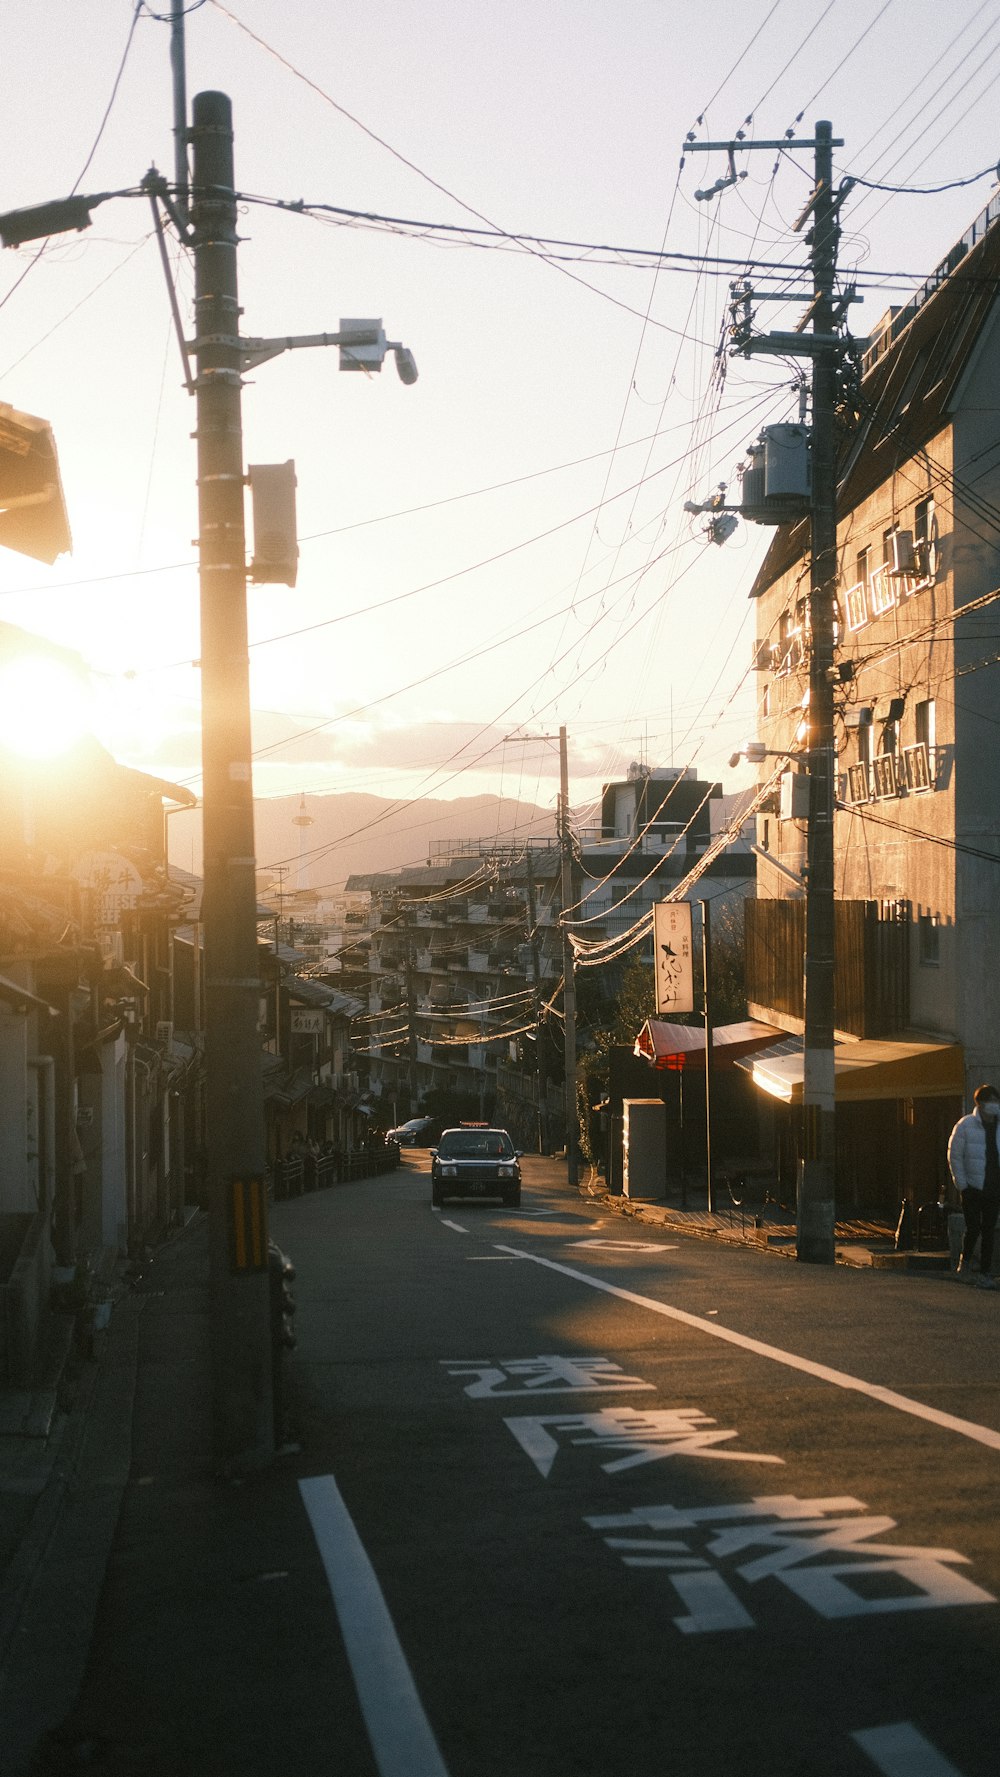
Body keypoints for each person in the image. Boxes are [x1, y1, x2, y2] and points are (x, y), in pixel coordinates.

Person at [947, 1084, 1000, 1289]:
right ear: (980, 1103)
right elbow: (955, 1156)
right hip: (972, 1187)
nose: (995, 1105)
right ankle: (965, 1263)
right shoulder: (965, 1125)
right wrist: (962, 1184)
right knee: (973, 1227)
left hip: (993, 1187)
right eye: (992, 1101)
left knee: (989, 1229)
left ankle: (985, 1272)